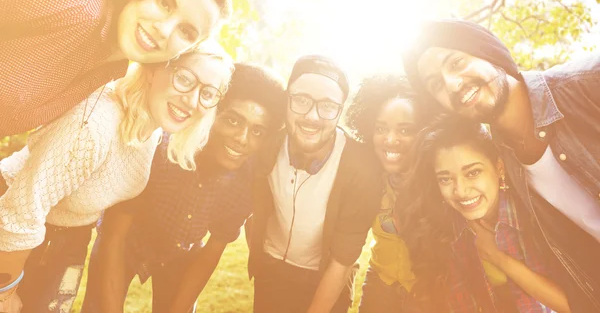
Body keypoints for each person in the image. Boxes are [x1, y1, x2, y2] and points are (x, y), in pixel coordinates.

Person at [0, 43, 233, 313]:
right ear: (154, 69)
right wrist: (5, 293)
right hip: (12, 227)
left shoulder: (151, 130)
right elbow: (20, 211)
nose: (192, 101)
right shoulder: (97, 123)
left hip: (65, 241)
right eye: (184, 79)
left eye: (207, 93)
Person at [402, 19, 600, 312]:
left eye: (456, 63)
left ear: (488, 53)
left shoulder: (587, 83)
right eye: (436, 85)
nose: (452, 84)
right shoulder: (505, 166)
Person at [80, 63, 286, 313]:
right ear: (212, 114)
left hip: (182, 254)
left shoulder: (247, 182)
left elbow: (211, 253)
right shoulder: (160, 149)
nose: (242, 138)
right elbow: (115, 236)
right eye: (232, 121)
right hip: (126, 244)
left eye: (257, 131)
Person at [0, 0, 231, 137]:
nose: (164, 29)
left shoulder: (112, 70)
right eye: (164, 2)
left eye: (186, 31)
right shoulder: (80, 3)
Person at [249, 55, 382, 313]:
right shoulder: (266, 144)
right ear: (286, 100)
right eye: (301, 100)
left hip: (328, 278)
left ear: (340, 110)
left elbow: (343, 258)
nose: (312, 116)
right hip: (271, 271)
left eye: (328, 106)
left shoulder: (362, 168)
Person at [399, 120, 570, 312]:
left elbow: (578, 304)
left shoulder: (536, 215)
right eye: (445, 179)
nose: (461, 191)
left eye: (473, 173)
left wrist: (498, 258)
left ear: (499, 168)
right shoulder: (443, 227)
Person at [345, 75, 424, 313]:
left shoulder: (440, 181)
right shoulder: (369, 177)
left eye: (405, 130)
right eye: (381, 128)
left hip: (427, 291)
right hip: (380, 285)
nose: (390, 139)